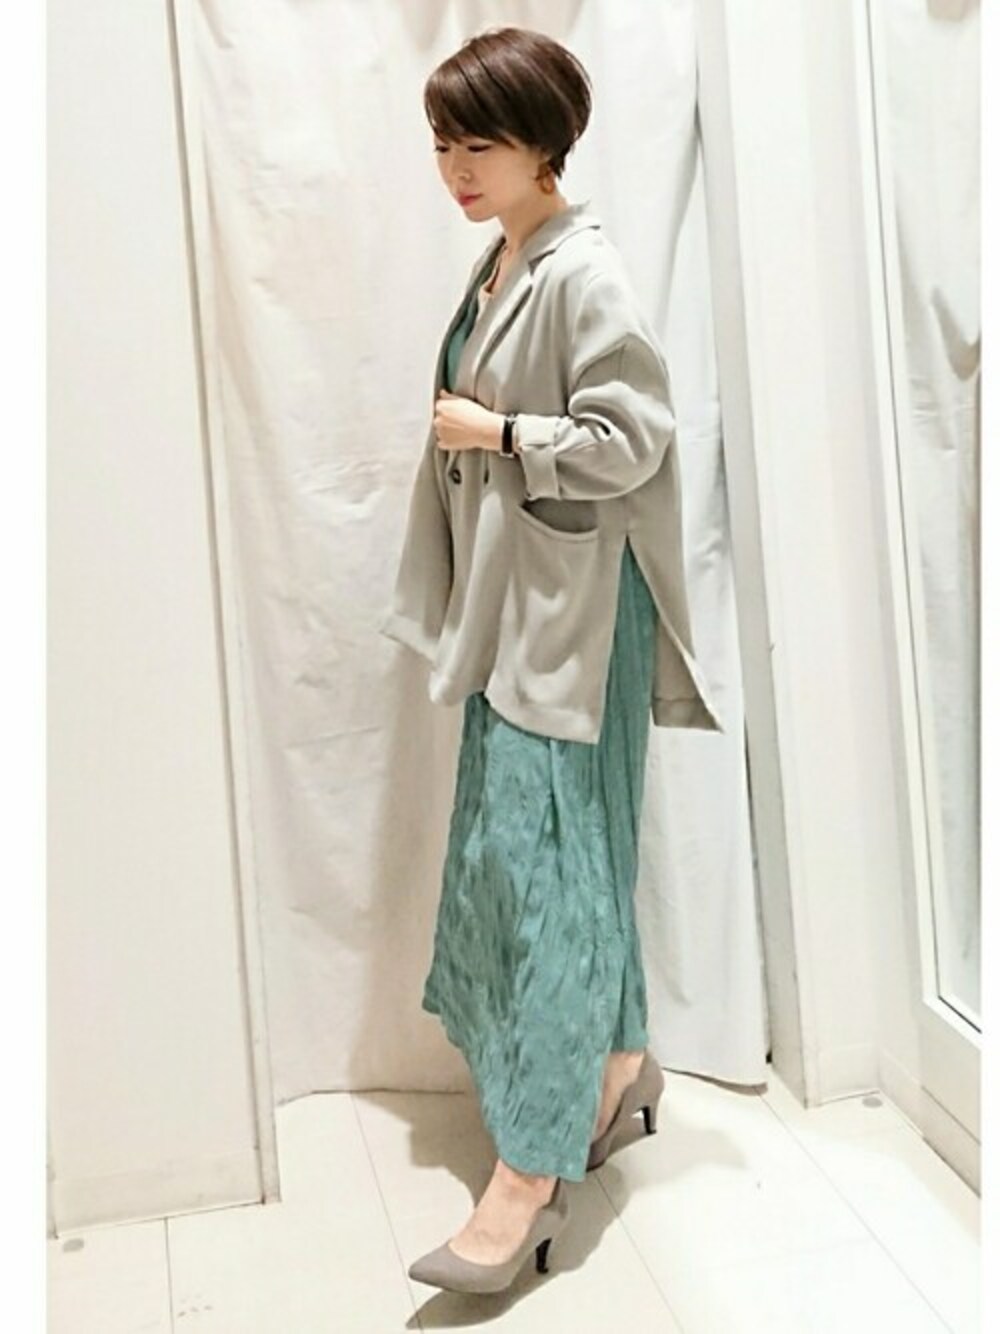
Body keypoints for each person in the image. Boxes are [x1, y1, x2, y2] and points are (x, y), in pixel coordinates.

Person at [381, 25, 723, 1296]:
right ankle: (617, 1064)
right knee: (543, 858)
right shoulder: (505, 258)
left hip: (573, 615)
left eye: (477, 145)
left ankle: (528, 1176)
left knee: (543, 876)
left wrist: (503, 431)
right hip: (519, 605)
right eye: (442, 146)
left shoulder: (586, 272)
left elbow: (633, 438)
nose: (454, 170)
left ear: (543, 145)